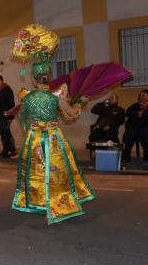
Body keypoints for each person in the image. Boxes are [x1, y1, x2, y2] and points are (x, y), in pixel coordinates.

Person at [12, 62, 95, 224]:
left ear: (34, 80)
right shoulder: (55, 96)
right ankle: (58, 204)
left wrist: (29, 129)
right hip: (53, 138)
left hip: (34, 139)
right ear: (48, 78)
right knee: (57, 173)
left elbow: (22, 117)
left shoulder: (27, 98)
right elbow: (70, 114)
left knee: (37, 172)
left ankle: (39, 202)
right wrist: (81, 101)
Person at [122, 90, 148, 163]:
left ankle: (147, 158)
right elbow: (128, 112)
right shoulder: (136, 105)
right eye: (140, 95)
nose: (142, 97)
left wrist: (145, 111)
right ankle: (125, 157)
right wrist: (137, 114)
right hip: (135, 128)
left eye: (144, 95)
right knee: (129, 134)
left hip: (147, 128)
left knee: (147, 134)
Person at [0, 74, 16, 157]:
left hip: (5, 116)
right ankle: (8, 149)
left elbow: (11, 104)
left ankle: (9, 150)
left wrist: (10, 117)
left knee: (6, 133)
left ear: (1, 81)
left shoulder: (7, 90)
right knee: (3, 134)